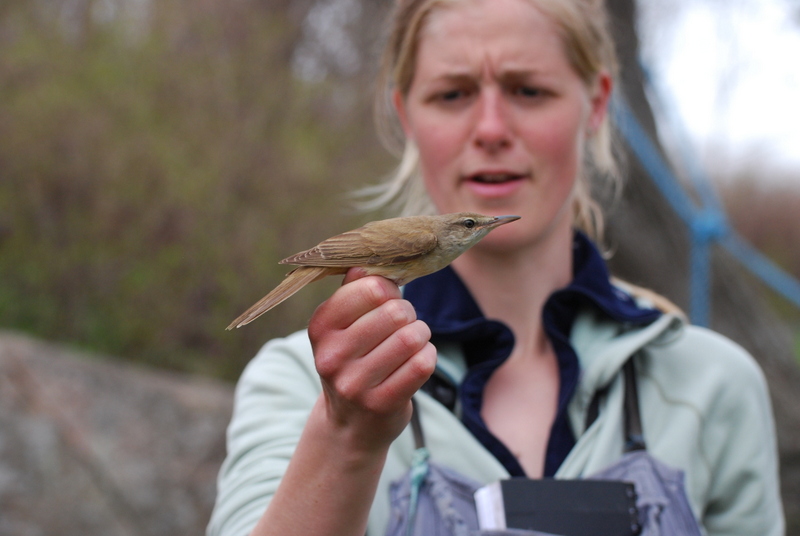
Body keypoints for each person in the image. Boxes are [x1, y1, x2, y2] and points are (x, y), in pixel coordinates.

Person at [207, 0, 785, 534]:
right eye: (453, 94)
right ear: (406, 115)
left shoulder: (716, 382)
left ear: (597, 105)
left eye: (529, 90)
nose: (490, 130)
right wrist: (345, 437)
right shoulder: (304, 376)